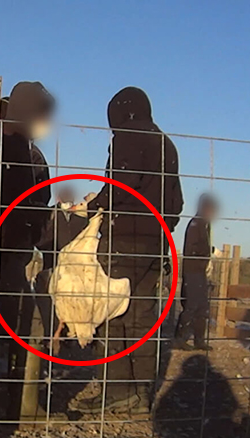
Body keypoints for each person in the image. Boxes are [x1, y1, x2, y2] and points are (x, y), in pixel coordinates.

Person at [73, 86, 183, 414]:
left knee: (112, 313)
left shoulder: (128, 135)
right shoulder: (166, 143)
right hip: (154, 244)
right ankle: (141, 393)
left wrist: (94, 205)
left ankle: (116, 390)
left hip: (124, 239)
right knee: (141, 316)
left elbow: (123, 182)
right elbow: (176, 203)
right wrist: (160, 229)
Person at [0, 83, 54, 422]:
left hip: (13, 249)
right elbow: (14, 198)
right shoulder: (1, 142)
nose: (46, 123)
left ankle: (11, 401)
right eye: (42, 114)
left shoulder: (25, 147)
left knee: (12, 326)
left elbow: (39, 196)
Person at [34, 186, 89, 343]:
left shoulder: (81, 217)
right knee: (50, 304)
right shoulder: (49, 214)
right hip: (53, 266)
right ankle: (52, 335)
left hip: (76, 271)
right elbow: (40, 241)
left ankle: (70, 334)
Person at [173, 193, 218, 351]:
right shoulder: (196, 224)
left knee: (203, 306)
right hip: (193, 271)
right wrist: (206, 255)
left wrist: (209, 253)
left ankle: (199, 340)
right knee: (191, 305)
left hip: (200, 271)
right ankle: (180, 338)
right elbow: (191, 249)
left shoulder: (205, 225)